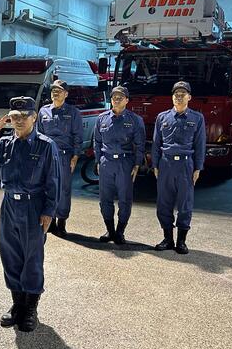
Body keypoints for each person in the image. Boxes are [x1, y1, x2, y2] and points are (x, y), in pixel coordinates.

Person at [0, 96, 60, 333]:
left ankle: (31, 308)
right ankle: (17, 304)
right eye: (14, 117)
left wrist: (49, 212)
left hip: (34, 206)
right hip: (9, 205)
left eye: (24, 116)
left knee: (32, 258)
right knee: (10, 255)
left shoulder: (45, 145)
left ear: (34, 117)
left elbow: (53, 181)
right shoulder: (3, 144)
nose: (19, 121)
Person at [151, 81, 205, 254]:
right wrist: (155, 164)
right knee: (163, 203)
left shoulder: (197, 118)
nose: (179, 96)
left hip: (185, 165)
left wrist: (198, 167)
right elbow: (156, 143)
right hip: (165, 164)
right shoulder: (162, 117)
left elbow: (200, 144)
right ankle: (168, 239)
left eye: (183, 93)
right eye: (176, 94)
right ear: (172, 97)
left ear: (189, 97)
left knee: (185, 203)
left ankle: (181, 241)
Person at [93, 86, 145, 245]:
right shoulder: (101, 119)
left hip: (125, 163)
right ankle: (110, 230)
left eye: (120, 97)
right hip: (106, 162)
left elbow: (140, 144)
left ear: (127, 100)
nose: (116, 99)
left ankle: (120, 231)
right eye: (114, 96)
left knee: (124, 199)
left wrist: (137, 164)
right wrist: (98, 160)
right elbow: (97, 141)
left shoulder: (135, 120)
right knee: (105, 198)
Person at [36, 79, 83, 237]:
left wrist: (75, 157)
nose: (55, 93)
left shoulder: (73, 112)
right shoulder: (43, 111)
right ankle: (51, 220)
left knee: (63, 189)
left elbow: (77, 136)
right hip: (46, 156)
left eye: (59, 91)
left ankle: (62, 221)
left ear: (66, 94)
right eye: (53, 90)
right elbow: (38, 134)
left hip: (64, 156)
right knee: (47, 188)